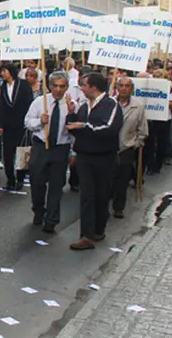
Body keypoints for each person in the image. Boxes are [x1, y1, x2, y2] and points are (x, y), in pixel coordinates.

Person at [66, 72, 123, 251]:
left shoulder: (111, 104)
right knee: (87, 196)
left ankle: (99, 229)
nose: (81, 89)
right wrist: (71, 116)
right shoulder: (83, 107)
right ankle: (86, 235)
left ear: (94, 87)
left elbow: (110, 129)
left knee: (101, 194)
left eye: (84, 85)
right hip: (85, 156)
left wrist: (86, 126)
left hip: (104, 157)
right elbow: (76, 130)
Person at [24, 72, 74, 234]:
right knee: (37, 182)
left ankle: (51, 220)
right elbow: (27, 122)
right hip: (41, 147)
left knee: (56, 186)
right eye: (55, 86)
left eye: (62, 86)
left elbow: (74, 132)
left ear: (67, 87)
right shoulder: (40, 102)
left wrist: (73, 152)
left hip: (60, 148)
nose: (58, 90)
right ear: (50, 86)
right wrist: (40, 121)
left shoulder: (71, 104)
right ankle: (38, 210)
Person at [110, 77, 148, 219]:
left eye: (127, 86)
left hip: (126, 148)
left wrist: (135, 143)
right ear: (117, 87)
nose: (124, 88)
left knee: (122, 179)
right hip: (108, 148)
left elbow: (142, 130)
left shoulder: (138, 107)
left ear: (132, 89)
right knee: (108, 179)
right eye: (121, 85)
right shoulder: (109, 104)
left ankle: (118, 207)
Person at [0, 62, 33, 190]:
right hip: (8, 125)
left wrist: (28, 120)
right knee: (7, 153)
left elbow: (29, 102)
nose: (2, 74)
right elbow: (2, 107)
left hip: (21, 124)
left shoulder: (23, 85)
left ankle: (20, 178)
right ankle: (10, 179)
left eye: (4, 71)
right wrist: (0, 124)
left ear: (11, 72)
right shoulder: (3, 87)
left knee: (21, 153)